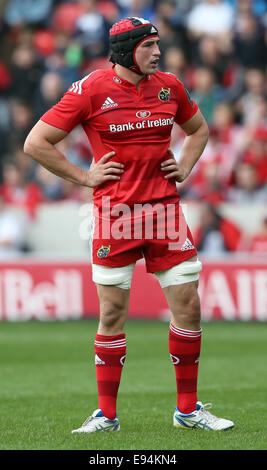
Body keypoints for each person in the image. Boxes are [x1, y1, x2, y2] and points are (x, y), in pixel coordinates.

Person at [24, 17, 234, 433]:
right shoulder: (89, 90)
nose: (158, 52)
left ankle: (188, 411)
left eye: (158, 44)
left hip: (165, 215)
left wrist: (186, 166)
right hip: (114, 216)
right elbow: (35, 142)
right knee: (112, 313)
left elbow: (198, 131)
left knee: (189, 306)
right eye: (148, 46)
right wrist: (84, 177)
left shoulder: (170, 86)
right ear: (125, 51)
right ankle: (107, 415)